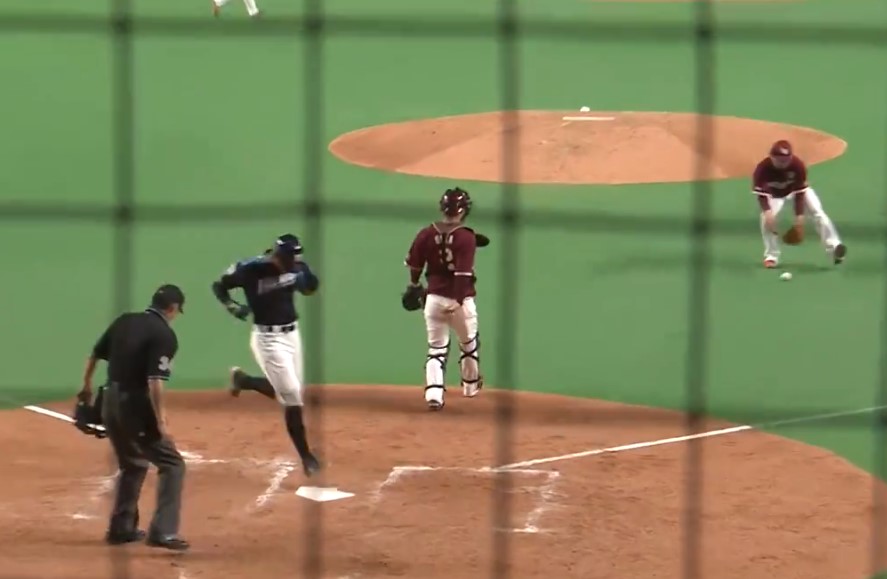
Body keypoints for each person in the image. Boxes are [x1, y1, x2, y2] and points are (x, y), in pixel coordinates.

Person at [76, 284, 189, 551]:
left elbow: (94, 355)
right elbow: (155, 381)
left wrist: (86, 387)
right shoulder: (164, 335)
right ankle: (163, 532)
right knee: (173, 465)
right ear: (172, 309)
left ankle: (121, 528)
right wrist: (160, 420)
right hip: (134, 406)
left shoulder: (125, 320)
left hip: (109, 402)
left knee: (133, 464)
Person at [211, 233, 322, 477]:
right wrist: (232, 306)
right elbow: (219, 285)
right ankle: (306, 456)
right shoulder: (250, 269)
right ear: (278, 255)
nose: (293, 262)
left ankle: (244, 381)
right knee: (291, 394)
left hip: (292, 336)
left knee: (292, 392)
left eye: (296, 257)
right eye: (290, 258)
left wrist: (306, 274)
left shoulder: (297, 267)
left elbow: (311, 288)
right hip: (268, 340)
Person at [402, 187, 484, 411]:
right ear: (464, 210)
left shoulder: (426, 234)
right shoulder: (466, 237)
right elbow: (463, 274)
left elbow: (415, 265)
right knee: (468, 343)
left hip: (434, 299)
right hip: (461, 300)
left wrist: (414, 284)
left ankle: (434, 394)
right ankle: (470, 385)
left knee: (436, 349)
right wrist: (458, 300)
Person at [753, 139, 847, 268]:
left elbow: (799, 193)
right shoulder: (762, 169)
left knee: (818, 213)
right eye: (779, 160)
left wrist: (799, 217)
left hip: (795, 192)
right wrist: (768, 212)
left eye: (786, 160)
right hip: (774, 196)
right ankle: (771, 256)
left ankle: (834, 248)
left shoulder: (797, 166)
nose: (783, 163)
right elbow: (762, 195)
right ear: (772, 157)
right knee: (765, 220)